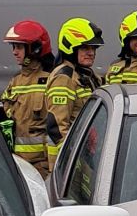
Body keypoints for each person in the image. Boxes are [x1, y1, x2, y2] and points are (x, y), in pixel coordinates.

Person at [45, 18, 104, 169]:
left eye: (93, 48)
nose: (91, 53)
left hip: (85, 156)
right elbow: (57, 126)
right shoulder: (64, 78)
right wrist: (70, 161)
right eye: (85, 48)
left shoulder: (89, 76)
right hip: (71, 163)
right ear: (70, 47)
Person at [1, 19, 53, 177]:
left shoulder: (52, 80)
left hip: (42, 168)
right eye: (13, 47)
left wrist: (53, 168)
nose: (14, 52)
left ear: (34, 49)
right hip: (18, 165)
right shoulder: (15, 82)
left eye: (19, 47)